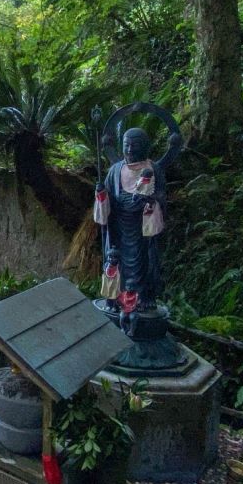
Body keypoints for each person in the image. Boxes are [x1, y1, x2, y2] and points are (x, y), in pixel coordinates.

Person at [94, 128, 167, 335]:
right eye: (126, 144)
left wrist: (150, 200)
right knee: (115, 262)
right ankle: (115, 298)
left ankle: (142, 299)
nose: (129, 148)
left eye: (134, 144)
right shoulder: (115, 170)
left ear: (144, 146)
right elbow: (107, 196)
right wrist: (101, 193)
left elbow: (161, 195)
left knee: (143, 262)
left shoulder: (152, 169)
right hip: (118, 226)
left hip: (142, 228)